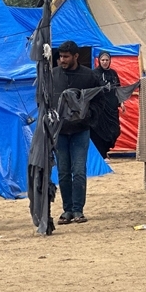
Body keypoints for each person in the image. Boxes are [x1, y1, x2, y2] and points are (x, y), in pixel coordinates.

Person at [52, 40, 101, 224]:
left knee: (78, 171)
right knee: (63, 172)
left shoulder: (89, 76)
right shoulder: (53, 75)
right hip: (60, 131)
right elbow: (44, 99)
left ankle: (78, 210)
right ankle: (67, 211)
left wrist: (87, 116)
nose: (62, 60)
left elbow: (99, 100)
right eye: (61, 56)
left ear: (75, 56)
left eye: (66, 56)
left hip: (81, 130)